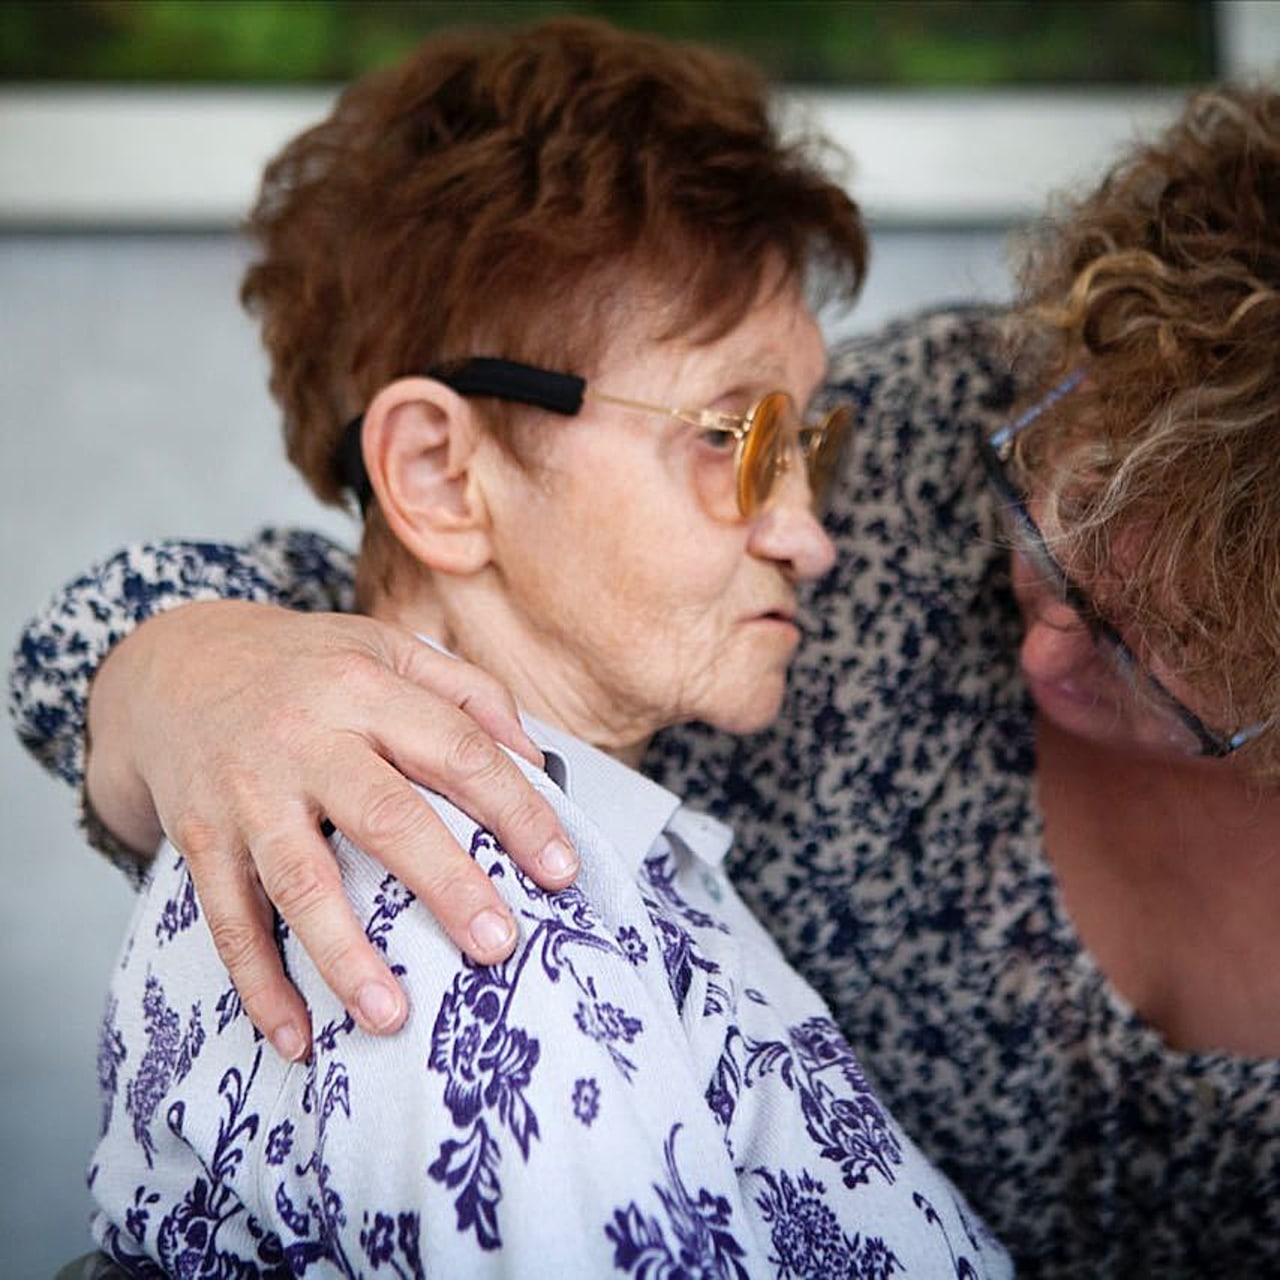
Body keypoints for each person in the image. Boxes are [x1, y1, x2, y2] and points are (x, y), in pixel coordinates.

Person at [10, 56, 1280, 1279]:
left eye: (807, 444)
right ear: (443, 477)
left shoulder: (597, 860)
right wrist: (171, 662)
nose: (812, 533)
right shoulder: (471, 931)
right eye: (736, 434)